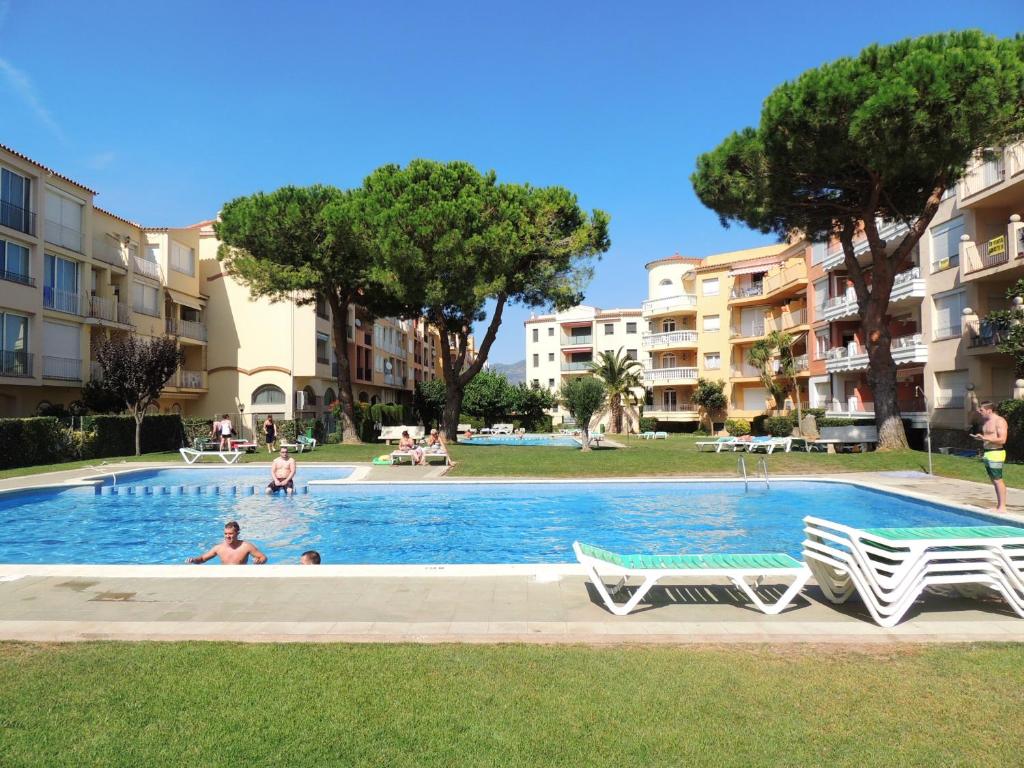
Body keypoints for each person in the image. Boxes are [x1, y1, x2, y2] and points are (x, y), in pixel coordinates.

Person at [971, 401, 1008, 513]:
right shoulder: (986, 422)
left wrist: (985, 439)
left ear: (989, 410)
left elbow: (1002, 440)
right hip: (988, 452)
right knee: (993, 480)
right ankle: (999, 506)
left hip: (996, 452)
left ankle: (1002, 507)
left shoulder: (999, 421)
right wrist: (980, 438)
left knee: (998, 480)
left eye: (981, 410)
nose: (979, 412)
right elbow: (988, 437)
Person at [186, 521, 266, 565]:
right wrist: (193, 560)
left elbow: (263, 557)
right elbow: (202, 559)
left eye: (230, 534)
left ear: (237, 533)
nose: (227, 536)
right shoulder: (219, 548)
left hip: (240, 577)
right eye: (225, 534)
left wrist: (259, 561)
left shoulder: (246, 546)